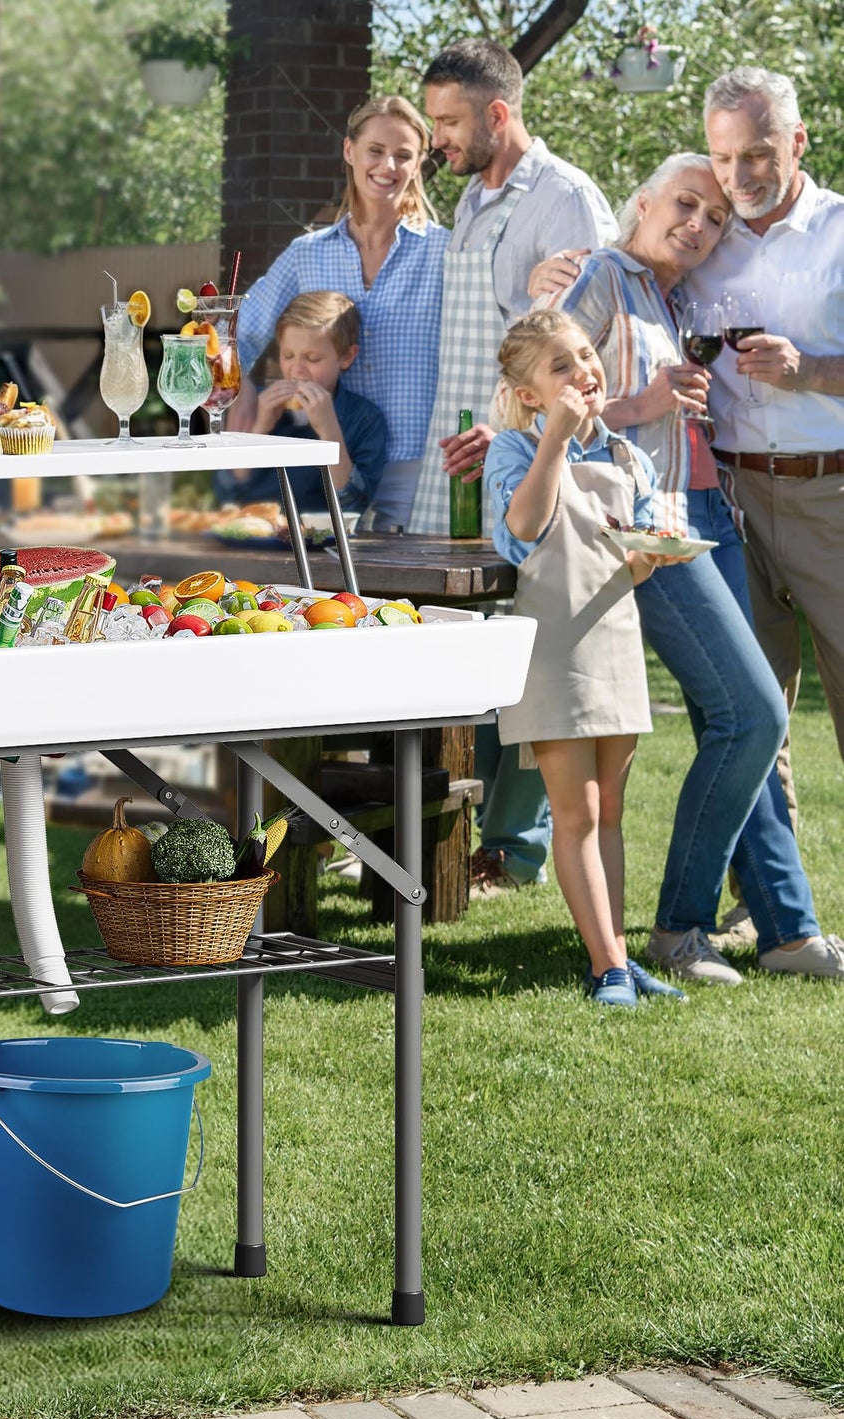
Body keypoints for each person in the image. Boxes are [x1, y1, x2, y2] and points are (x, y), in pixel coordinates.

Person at [537, 154, 844, 982]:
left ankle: (785, 930)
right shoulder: (602, 274)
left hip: (706, 513)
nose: (698, 224)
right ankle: (679, 927)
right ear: (639, 204)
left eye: (712, 218)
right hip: (644, 530)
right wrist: (641, 405)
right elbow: (539, 377)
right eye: (684, 203)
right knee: (751, 713)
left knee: (736, 719)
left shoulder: (675, 299)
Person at [414, 40, 616, 899]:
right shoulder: (469, 194)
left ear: (498, 114)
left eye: (450, 122)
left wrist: (545, 302)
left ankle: (516, 846)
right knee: (478, 638)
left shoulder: (565, 197)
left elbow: (589, 335)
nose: (438, 140)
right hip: (479, 447)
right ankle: (462, 830)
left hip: (542, 454)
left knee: (538, 643)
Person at [485, 312, 684, 1007]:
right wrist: (554, 445)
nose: (581, 373)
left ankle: (619, 959)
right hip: (554, 650)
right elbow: (522, 532)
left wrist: (649, 557)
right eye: (560, 367)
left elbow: (625, 565)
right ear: (531, 393)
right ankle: (606, 968)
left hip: (613, 639)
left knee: (612, 811)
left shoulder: (630, 458)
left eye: (584, 357)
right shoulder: (513, 450)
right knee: (576, 812)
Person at [690, 69, 844, 777]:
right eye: (721, 158)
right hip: (728, 501)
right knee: (751, 724)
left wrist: (807, 371)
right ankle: (768, 894)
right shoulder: (702, 234)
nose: (736, 175)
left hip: (829, 499)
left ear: (796, 141)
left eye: (754, 153)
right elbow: (626, 268)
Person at [233, 95, 447, 531]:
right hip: (322, 466)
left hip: (415, 470)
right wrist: (246, 423)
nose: (388, 165)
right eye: (375, 150)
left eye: (403, 155)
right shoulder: (305, 255)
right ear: (349, 151)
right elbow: (236, 337)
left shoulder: (445, 252)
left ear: (418, 163)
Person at [216, 292, 387, 514]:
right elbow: (226, 494)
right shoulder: (258, 404)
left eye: (312, 358)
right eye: (288, 355)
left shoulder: (365, 418)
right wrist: (259, 429)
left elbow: (352, 506)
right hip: (254, 535)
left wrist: (329, 430)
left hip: (322, 543)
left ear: (347, 356)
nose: (296, 370)